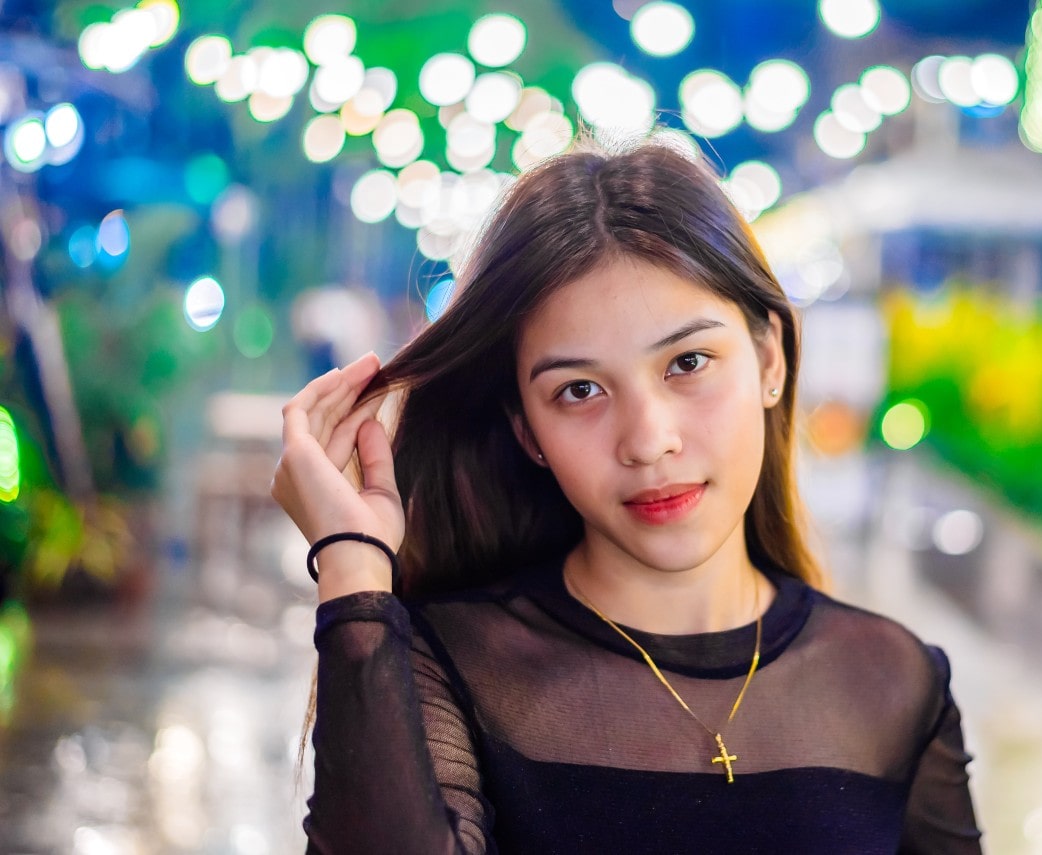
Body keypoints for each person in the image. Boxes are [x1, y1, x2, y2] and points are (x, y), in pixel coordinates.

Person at [271, 138, 983, 854]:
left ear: (771, 357)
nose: (648, 440)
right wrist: (353, 566)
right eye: (579, 390)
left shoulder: (894, 682)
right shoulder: (453, 665)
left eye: (688, 362)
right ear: (527, 430)